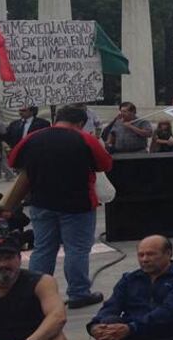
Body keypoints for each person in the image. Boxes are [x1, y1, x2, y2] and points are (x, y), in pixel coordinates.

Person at [9, 105, 112, 309]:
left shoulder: (33, 137)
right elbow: (105, 165)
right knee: (77, 249)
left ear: (57, 119)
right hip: (78, 204)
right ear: (81, 123)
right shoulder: (85, 139)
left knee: (43, 249)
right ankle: (78, 293)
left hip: (41, 202)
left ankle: (35, 292)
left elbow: (13, 161)